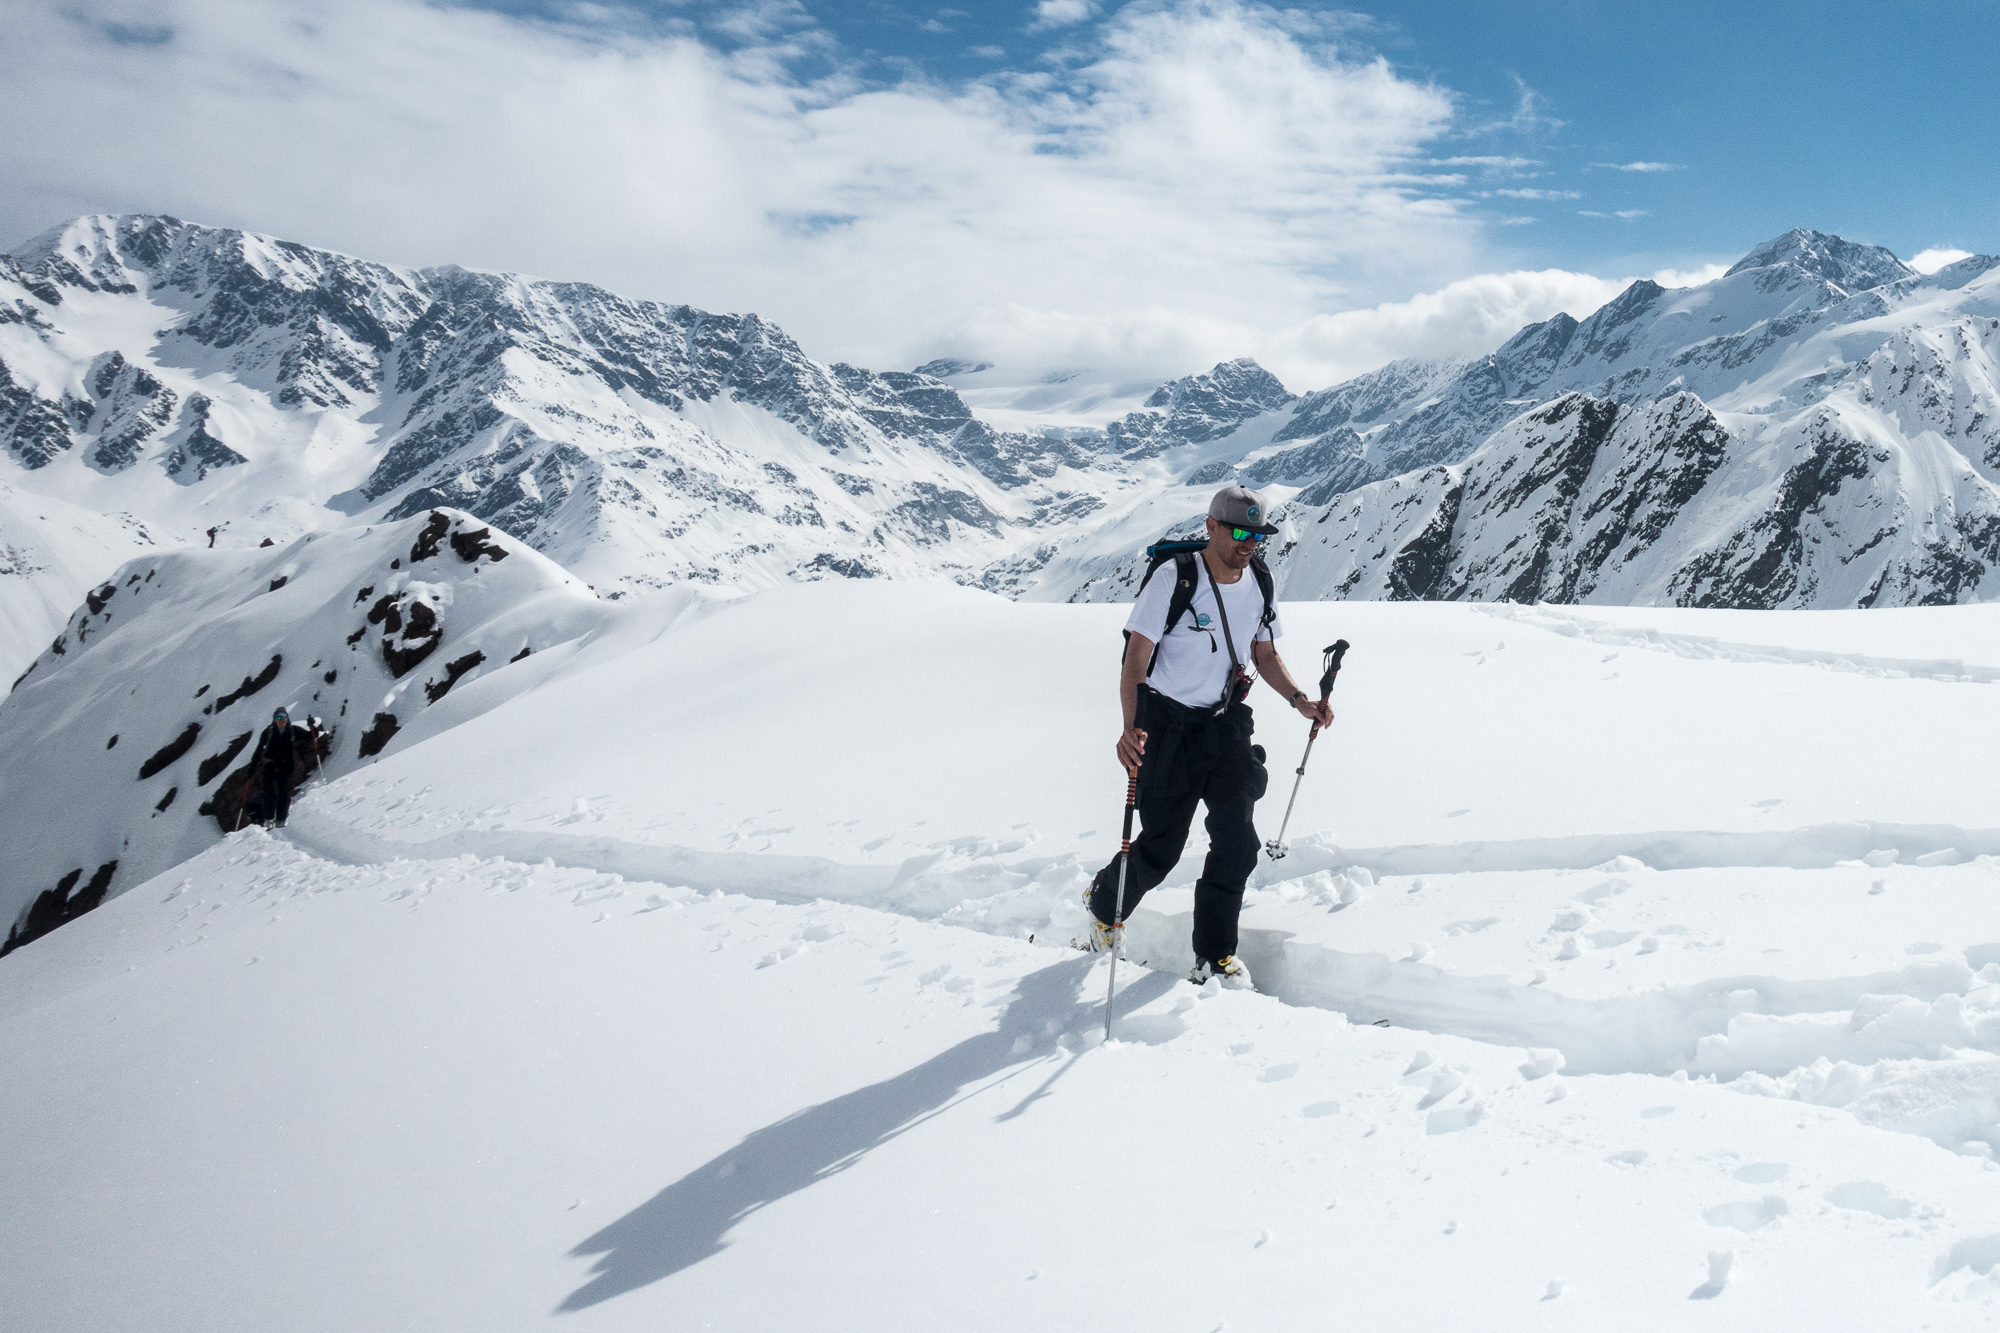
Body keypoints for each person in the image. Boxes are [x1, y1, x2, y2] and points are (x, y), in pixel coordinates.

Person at [1081, 486, 1334, 989]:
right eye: (1239, 531)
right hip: (1167, 727)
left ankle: (1214, 955)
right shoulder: (1175, 579)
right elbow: (1136, 658)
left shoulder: (1260, 579)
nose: (1249, 543)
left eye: (1257, 534)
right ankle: (1104, 905)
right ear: (1211, 526)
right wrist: (1131, 728)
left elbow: (1263, 654)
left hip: (1224, 727)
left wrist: (1300, 699)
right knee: (1161, 847)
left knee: (1238, 841)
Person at [248, 707, 313, 828]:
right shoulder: (267, 732)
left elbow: (311, 736)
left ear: (287, 718)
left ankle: (281, 820)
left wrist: (312, 726)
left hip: (286, 767)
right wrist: (252, 766)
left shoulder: (293, 730)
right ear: (274, 720)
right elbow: (258, 750)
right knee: (270, 793)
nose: (281, 719)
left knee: (284, 794)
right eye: (278, 717)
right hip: (271, 767)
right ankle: (268, 819)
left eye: (283, 717)